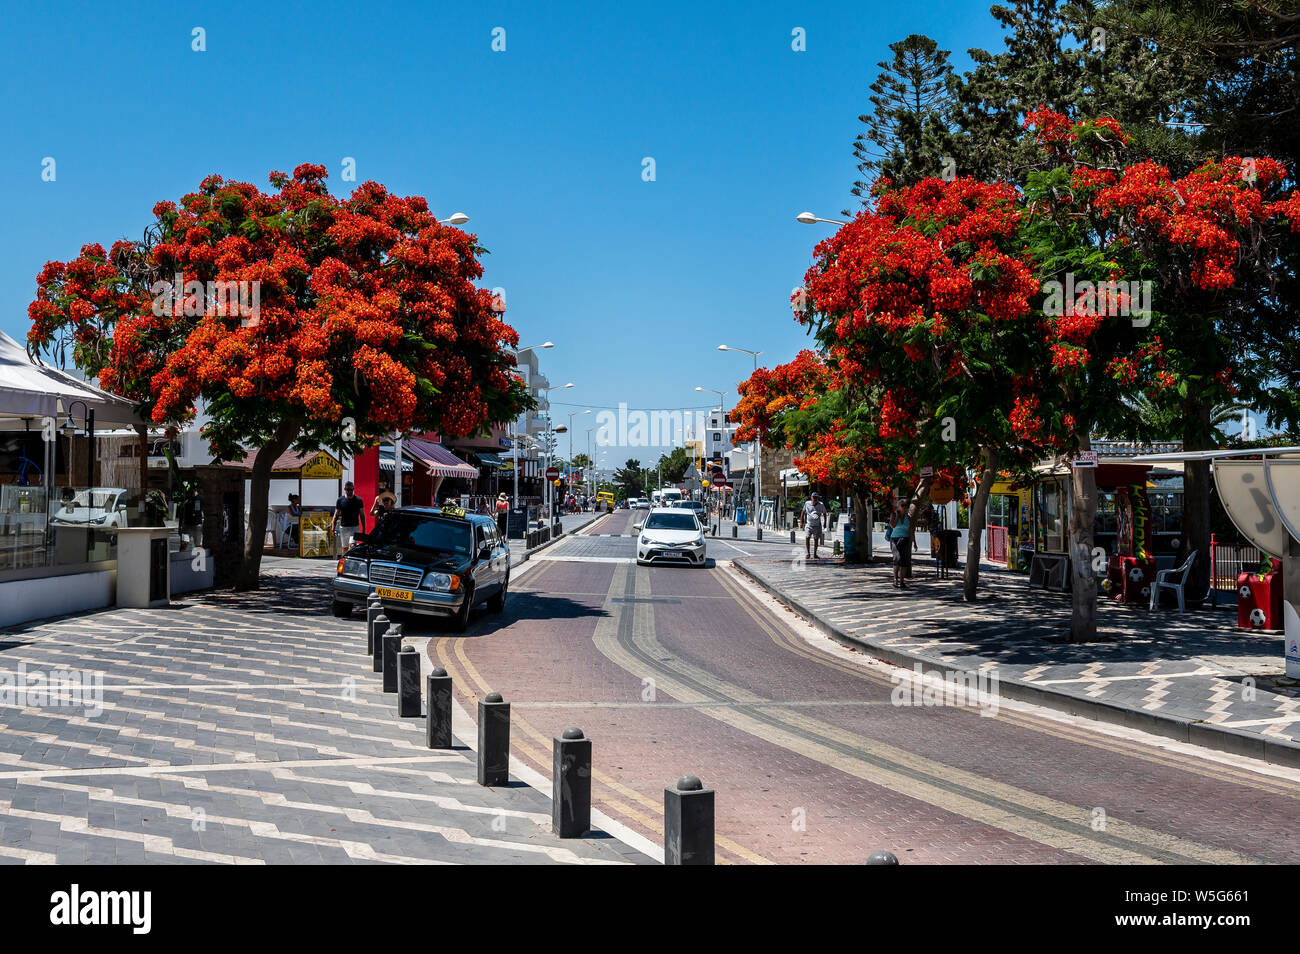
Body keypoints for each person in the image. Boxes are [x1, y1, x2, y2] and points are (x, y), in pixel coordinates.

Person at [332, 481, 366, 555]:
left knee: (352, 545)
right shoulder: (340, 500)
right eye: (348, 490)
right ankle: (344, 563)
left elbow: (362, 515)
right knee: (345, 548)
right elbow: (336, 514)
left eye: (351, 490)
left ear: (353, 489)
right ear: (345, 489)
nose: (349, 491)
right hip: (344, 527)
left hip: (355, 527)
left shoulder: (358, 500)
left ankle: (352, 562)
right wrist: (333, 528)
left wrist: (363, 529)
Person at [888, 498, 912, 588]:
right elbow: (892, 525)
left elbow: (911, 530)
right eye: (902, 505)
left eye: (906, 505)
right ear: (898, 506)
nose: (905, 507)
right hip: (895, 539)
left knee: (905, 561)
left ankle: (902, 581)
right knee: (897, 559)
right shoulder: (893, 515)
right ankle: (895, 579)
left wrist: (913, 542)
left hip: (905, 539)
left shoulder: (908, 517)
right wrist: (898, 516)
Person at [802, 492, 828, 560]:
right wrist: (801, 521)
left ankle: (815, 554)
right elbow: (803, 512)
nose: (815, 499)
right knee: (807, 537)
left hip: (817, 525)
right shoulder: (807, 503)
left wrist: (825, 523)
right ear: (811, 497)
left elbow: (824, 513)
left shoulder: (821, 504)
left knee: (816, 539)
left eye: (816, 497)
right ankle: (808, 553)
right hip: (809, 524)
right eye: (814, 497)